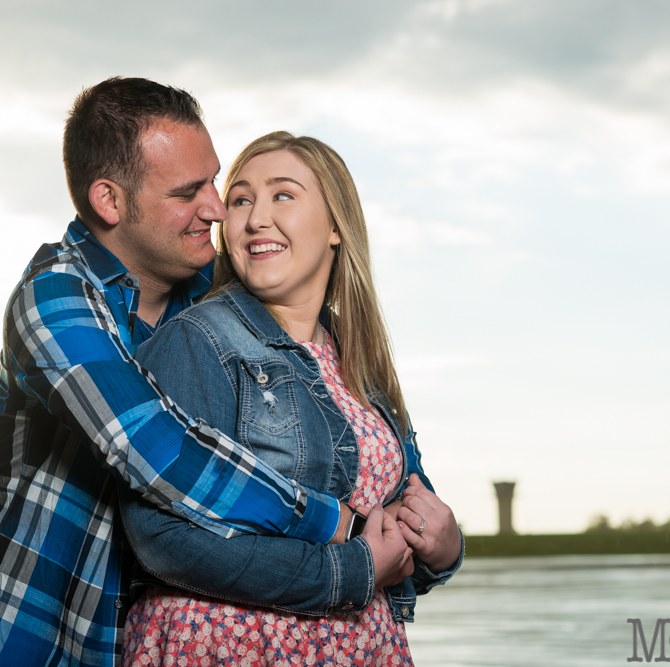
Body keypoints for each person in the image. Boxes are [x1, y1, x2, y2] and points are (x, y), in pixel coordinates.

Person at [0, 78, 404, 667]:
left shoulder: (218, 305)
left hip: (140, 635)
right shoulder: (54, 299)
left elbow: (353, 431)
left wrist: (428, 531)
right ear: (110, 201)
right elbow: (156, 450)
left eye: (214, 182)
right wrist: (336, 523)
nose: (214, 208)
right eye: (189, 191)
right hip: (35, 629)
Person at [118, 132, 464, 665]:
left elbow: (401, 520)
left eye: (283, 195)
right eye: (240, 199)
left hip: (363, 644)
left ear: (334, 227)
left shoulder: (359, 356)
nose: (256, 218)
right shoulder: (196, 341)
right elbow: (162, 539)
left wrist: (444, 547)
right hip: (228, 646)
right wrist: (352, 571)